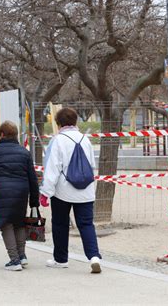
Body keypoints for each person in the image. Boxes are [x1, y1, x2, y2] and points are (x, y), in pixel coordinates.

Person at [39, 108, 102, 273]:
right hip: (86, 191)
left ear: (58, 123)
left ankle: (61, 259)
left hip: (63, 191)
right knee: (87, 224)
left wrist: (45, 192)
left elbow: (52, 169)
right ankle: (94, 256)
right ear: (75, 122)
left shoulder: (58, 140)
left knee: (60, 224)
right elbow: (91, 165)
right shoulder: (85, 139)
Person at [0, 121, 39, 271]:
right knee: (19, 222)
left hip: (2, 192)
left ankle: (14, 260)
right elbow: (33, 178)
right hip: (21, 192)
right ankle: (22, 256)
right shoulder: (24, 152)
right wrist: (34, 201)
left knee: (6, 224)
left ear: (1, 134)